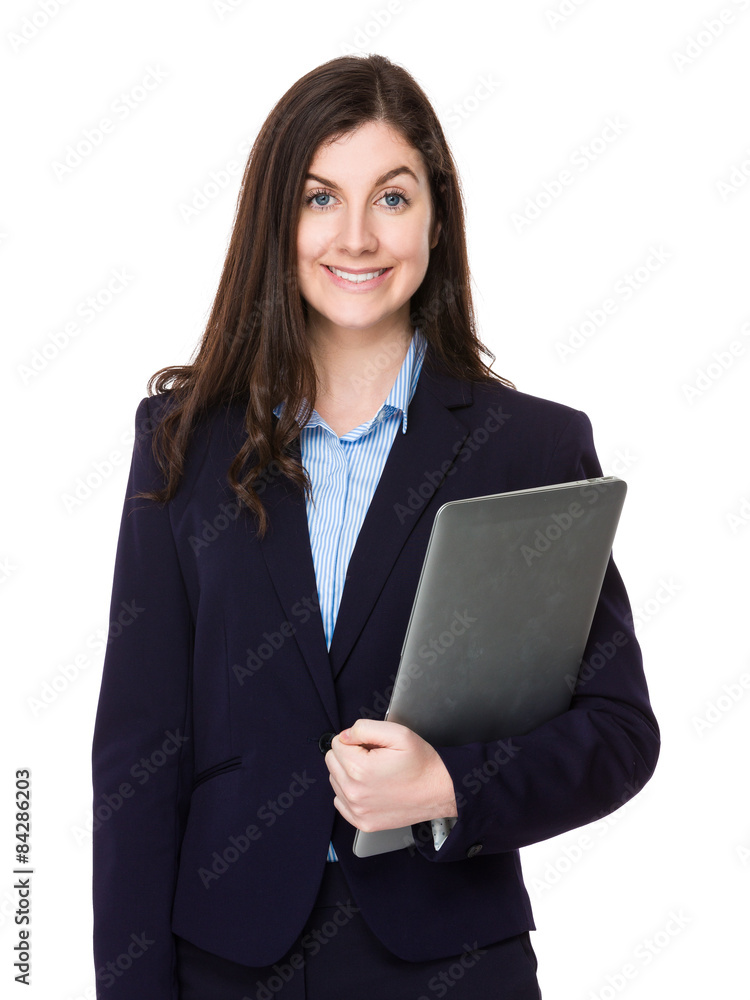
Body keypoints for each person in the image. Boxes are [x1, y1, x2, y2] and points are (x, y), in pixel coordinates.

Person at [91, 53, 660, 1000]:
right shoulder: (183, 443)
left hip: (451, 962)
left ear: (437, 216)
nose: (355, 236)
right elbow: (138, 752)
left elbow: (618, 731)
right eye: (320, 197)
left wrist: (451, 786)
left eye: (391, 199)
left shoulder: (534, 447)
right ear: (277, 218)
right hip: (224, 965)